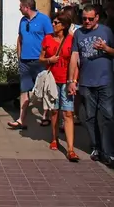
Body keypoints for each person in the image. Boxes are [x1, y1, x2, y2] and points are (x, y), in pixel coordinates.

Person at [68, 4, 114, 168]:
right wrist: (71, 81)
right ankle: (96, 147)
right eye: (84, 19)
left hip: (105, 80)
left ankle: (108, 151)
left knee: (108, 116)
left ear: (97, 18)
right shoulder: (78, 33)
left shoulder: (106, 31)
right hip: (86, 82)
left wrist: (106, 48)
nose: (86, 21)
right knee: (89, 117)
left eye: (90, 19)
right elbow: (74, 57)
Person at [8, 0, 53, 130]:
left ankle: (45, 116)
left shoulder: (44, 19)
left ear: (27, 7)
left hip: (40, 61)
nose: (19, 9)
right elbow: (20, 38)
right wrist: (19, 56)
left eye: (21, 6)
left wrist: (46, 58)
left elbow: (50, 39)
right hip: (25, 61)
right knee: (24, 89)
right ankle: (22, 119)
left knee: (44, 88)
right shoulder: (22, 20)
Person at [40, 11, 79, 161]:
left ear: (64, 25)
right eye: (53, 22)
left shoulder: (71, 40)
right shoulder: (47, 39)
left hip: (67, 80)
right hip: (52, 80)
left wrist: (74, 81)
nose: (53, 25)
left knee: (68, 113)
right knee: (54, 111)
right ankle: (54, 138)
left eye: (56, 23)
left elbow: (76, 62)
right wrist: (49, 59)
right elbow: (41, 58)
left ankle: (70, 149)